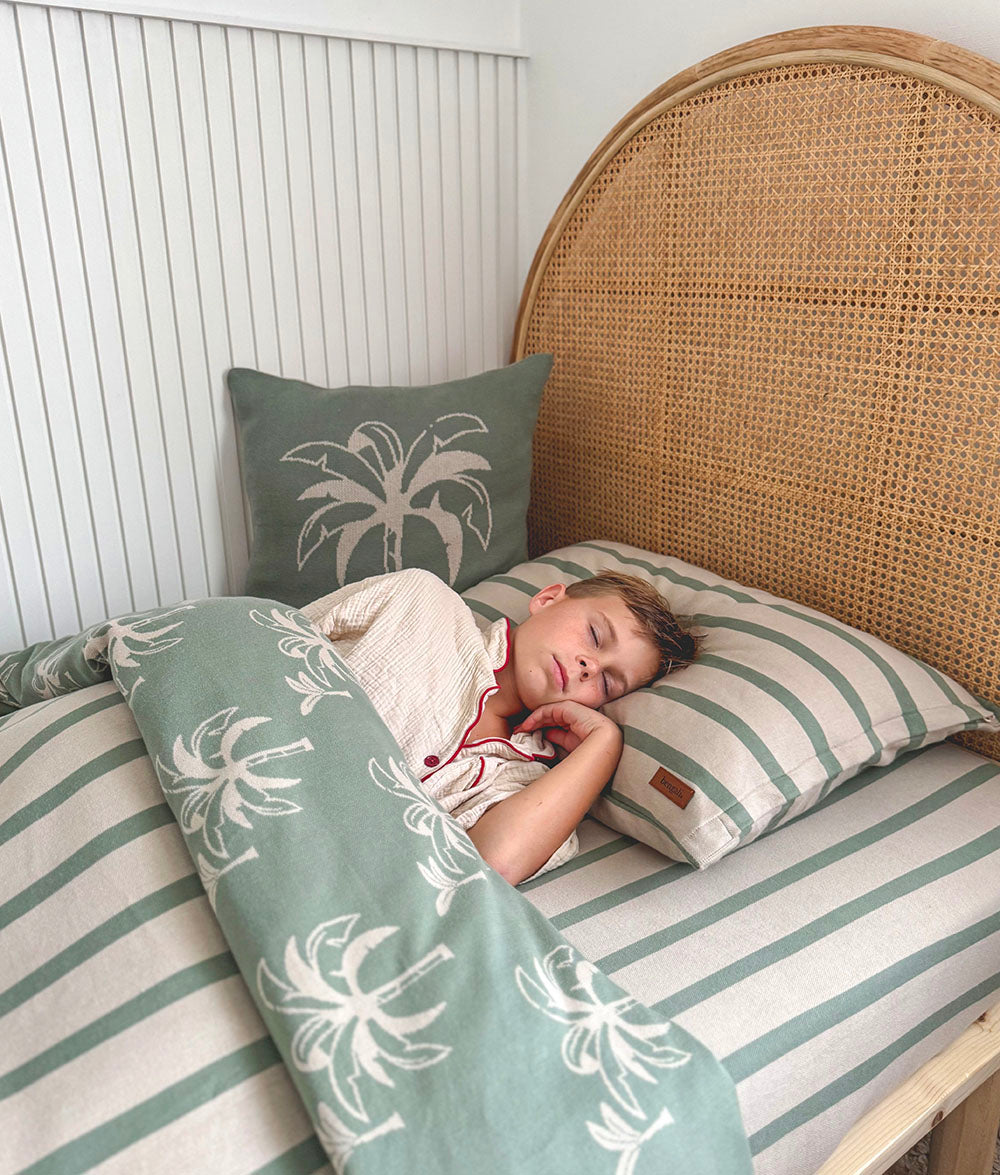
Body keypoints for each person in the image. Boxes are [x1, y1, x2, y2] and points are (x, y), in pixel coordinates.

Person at [300, 567, 701, 886]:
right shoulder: (421, 602)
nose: (589, 666)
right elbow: (273, 637)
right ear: (547, 599)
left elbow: (489, 866)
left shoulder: (524, 782)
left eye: (607, 683)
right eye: (594, 635)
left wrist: (604, 745)